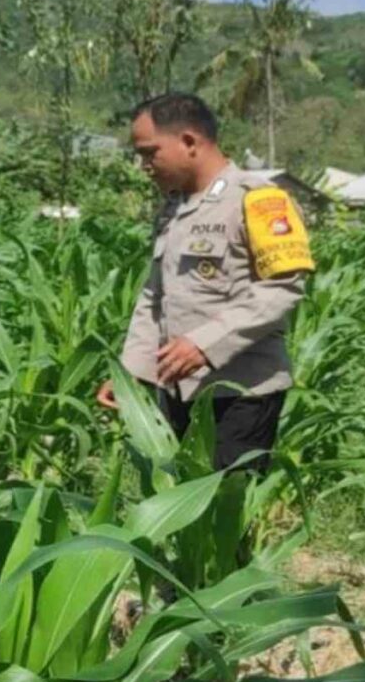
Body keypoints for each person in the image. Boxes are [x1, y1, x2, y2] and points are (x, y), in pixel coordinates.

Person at [96, 92, 314, 472]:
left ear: (189, 142)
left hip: (241, 393)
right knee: (180, 498)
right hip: (177, 388)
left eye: (150, 152)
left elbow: (281, 289)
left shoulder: (259, 200)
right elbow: (155, 296)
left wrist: (204, 343)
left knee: (225, 514)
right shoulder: (176, 209)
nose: (144, 165)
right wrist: (131, 371)